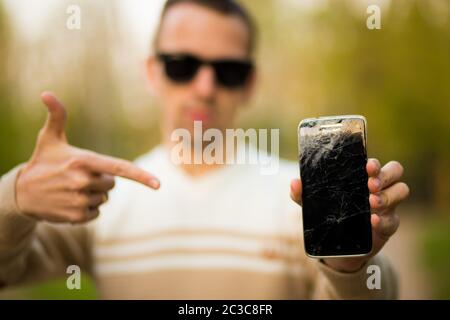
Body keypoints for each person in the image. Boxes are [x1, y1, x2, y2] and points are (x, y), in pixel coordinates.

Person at [0, 0, 409, 299]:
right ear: (151, 72)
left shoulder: (300, 199)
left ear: (250, 83)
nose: (206, 86)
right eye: (183, 65)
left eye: (229, 71)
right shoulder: (101, 196)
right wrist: (14, 198)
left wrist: (351, 264)